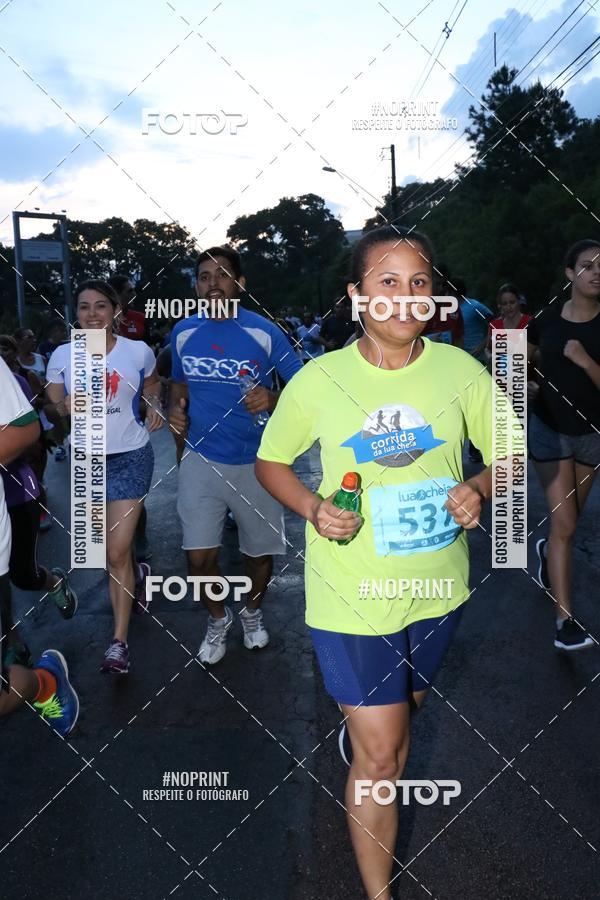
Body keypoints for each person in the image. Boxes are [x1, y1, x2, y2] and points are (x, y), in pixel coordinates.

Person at [255, 225, 497, 900]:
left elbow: (508, 453)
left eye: (419, 282)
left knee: (402, 717)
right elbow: (271, 461)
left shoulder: (462, 372)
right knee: (385, 757)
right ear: (357, 295)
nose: (405, 296)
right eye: (387, 282)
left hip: (438, 591)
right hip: (351, 595)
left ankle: (367, 736)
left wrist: (478, 487)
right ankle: (379, 891)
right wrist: (312, 508)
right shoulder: (320, 378)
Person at [168, 245, 303, 665]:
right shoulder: (183, 332)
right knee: (197, 557)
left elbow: (305, 387)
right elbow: (179, 385)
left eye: (222, 275)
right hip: (201, 457)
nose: (213, 283)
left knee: (258, 554)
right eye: (204, 276)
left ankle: (251, 612)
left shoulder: (264, 332)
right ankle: (217, 618)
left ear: (239, 284)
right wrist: (175, 412)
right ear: (196, 286)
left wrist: (273, 398)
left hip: (258, 460)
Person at [46, 280, 164, 673]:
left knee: (115, 551)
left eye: (100, 306)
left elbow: (151, 384)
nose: (92, 314)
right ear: (76, 314)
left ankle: (119, 643)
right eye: (84, 307)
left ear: (115, 311)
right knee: (107, 552)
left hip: (131, 456)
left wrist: (154, 404)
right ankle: (136, 572)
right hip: (87, 462)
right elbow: (51, 406)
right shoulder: (63, 355)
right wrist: (62, 407)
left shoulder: (137, 350)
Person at [527, 239, 600, 651]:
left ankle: (545, 554)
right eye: (588, 265)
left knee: (568, 522)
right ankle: (564, 623)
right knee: (566, 526)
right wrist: (524, 382)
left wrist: (586, 361)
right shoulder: (547, 318)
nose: (596, 272)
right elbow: (516, 357)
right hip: (549, 430)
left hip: (591, 436)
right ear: (570, 273)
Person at [0, 356, 79, 735]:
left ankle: (54, 581)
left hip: (19, 495)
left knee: (23, 575)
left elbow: (32, 431)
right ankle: (12, 643)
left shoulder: (15, 380)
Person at [108, 274, 151, 560]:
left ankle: (139, 536)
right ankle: (114, 552)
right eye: (129, 290)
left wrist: (151, 400)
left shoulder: (138, 318)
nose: (134, 294)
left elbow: (147, 360)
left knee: (134, 488)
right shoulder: (96, 320)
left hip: (133, 403)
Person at [486, 283, 533, 357]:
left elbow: (541, 352)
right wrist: (490, 356)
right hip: (502, 364)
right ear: (500, 306)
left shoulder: (530, 322)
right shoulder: (494, 325)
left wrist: (523, 352)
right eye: (505, 304)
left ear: (519, 301)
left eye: (512, 302)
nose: (509, 307)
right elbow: (487, 349)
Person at [108, 274, 146, 341]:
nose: (134, 295)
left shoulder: (140, 318)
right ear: (116, 294)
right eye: (129, 291)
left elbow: (147, 345)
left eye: (133, 290)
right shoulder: (99, 320)